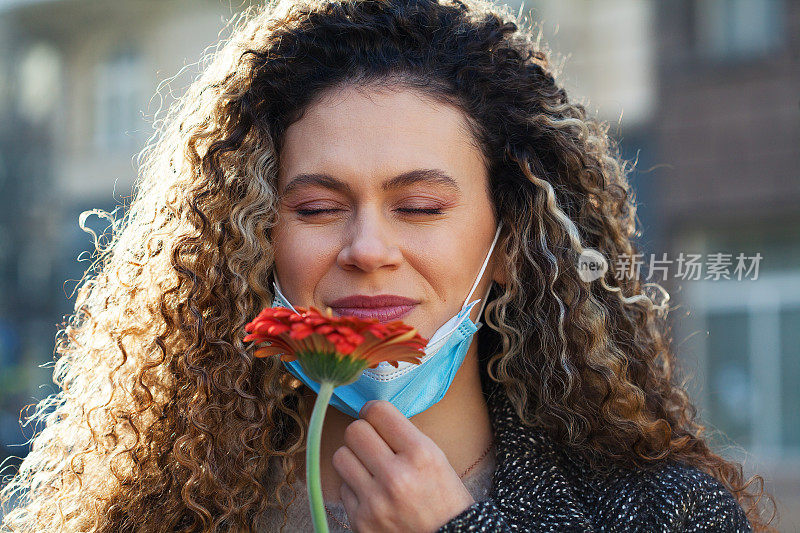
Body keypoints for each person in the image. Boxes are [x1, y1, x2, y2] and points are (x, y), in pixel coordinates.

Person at [0, 0, 777, 531]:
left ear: (509, 244)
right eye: (317, 208)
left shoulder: (664, 514)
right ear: (254, 238)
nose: (367, 248)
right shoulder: (149, 510)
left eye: (419, 207)